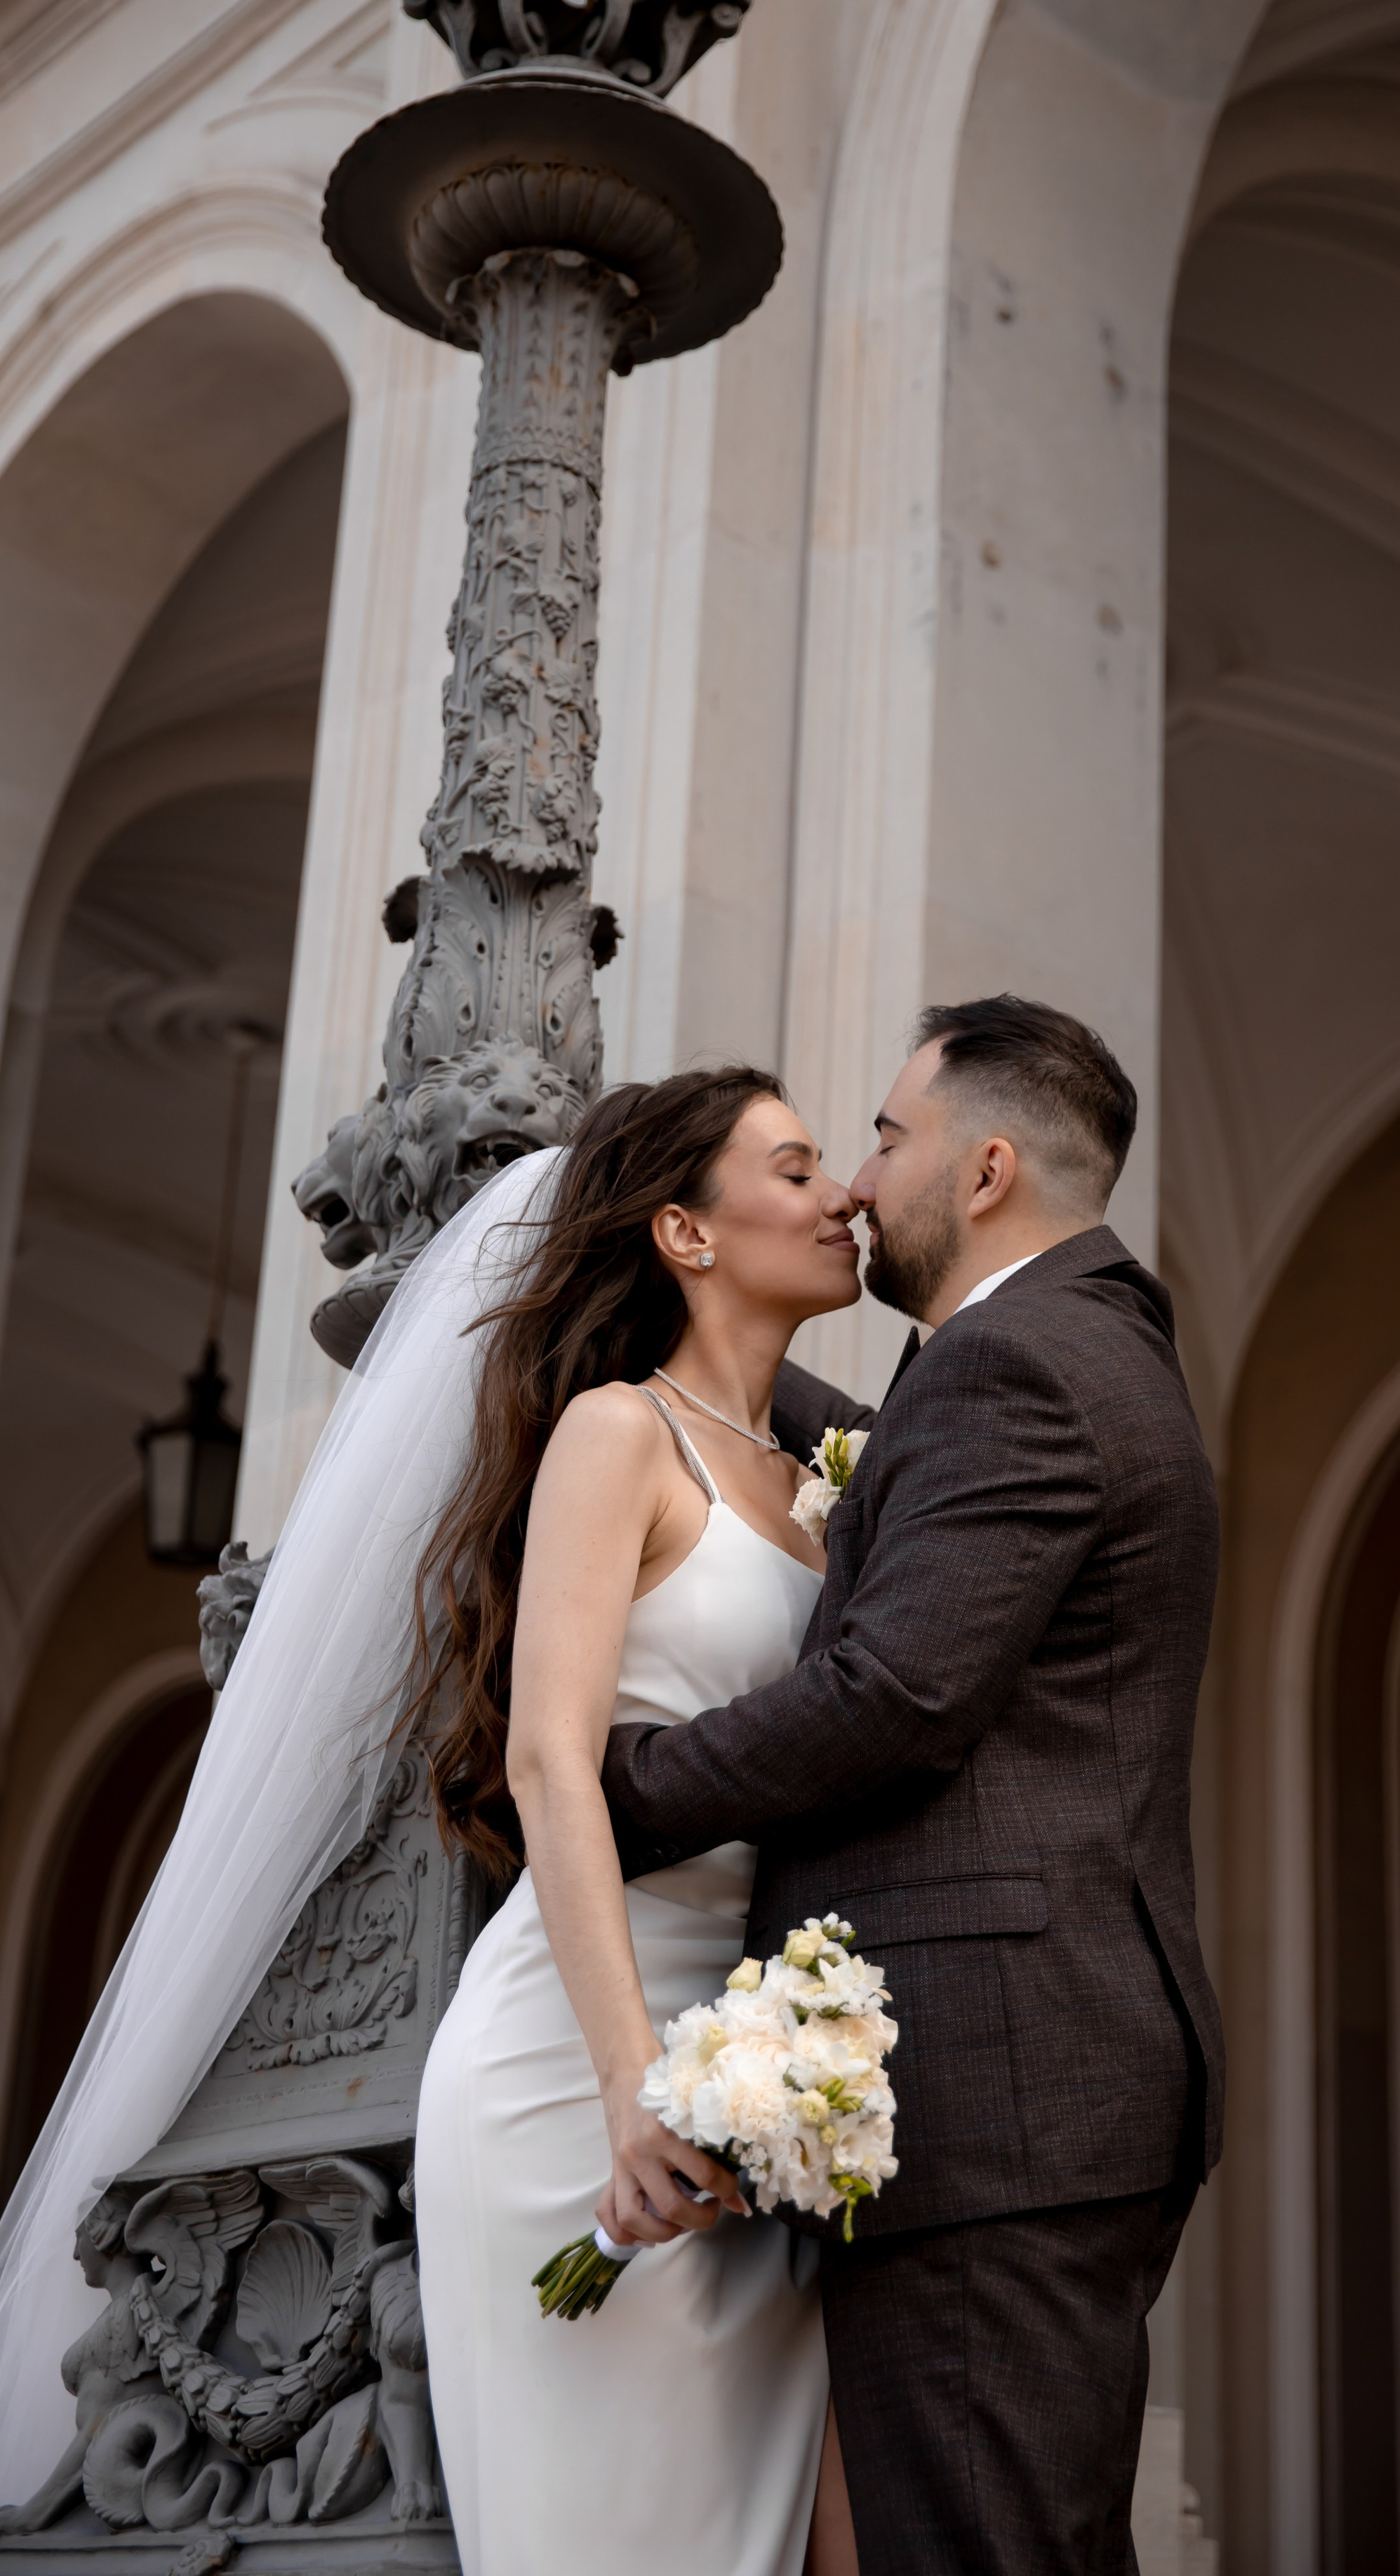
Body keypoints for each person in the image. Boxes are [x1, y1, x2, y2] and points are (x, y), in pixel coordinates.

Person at [601, 995, 1225, 2575]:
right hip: (1050, 2082)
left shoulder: (1014, 1366)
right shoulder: (1073, 1347)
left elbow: (896, 1695)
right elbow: (911, 1480)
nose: (860, 1185)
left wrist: (614, 1788)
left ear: (989, 1166)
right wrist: (713, 1372)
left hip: (997, 2093)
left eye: (885, 1139)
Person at [410, 1065, 867, 2576]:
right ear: (683, 1230)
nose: (838, 1196)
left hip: (774, 2078)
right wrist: (629, 2091)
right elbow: (550, 1762)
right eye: (794, 1169)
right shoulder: (617, 1435)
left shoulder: (830, 1484)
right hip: (573, 2062)